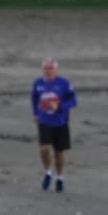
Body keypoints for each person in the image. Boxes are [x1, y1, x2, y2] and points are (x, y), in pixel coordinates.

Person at [31, 57, 77, 193]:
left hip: (60, 122)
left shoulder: (64, 83)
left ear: (56, 70)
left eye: (50, 68)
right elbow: (34, 98)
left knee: (59, 153)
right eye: (45, 68)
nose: (48, 71)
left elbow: (74, 101)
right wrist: (35, 113)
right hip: (45, 121)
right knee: (44, 149)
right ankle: (48, 172)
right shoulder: (38, 83)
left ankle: (60, 177)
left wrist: (60, 106)